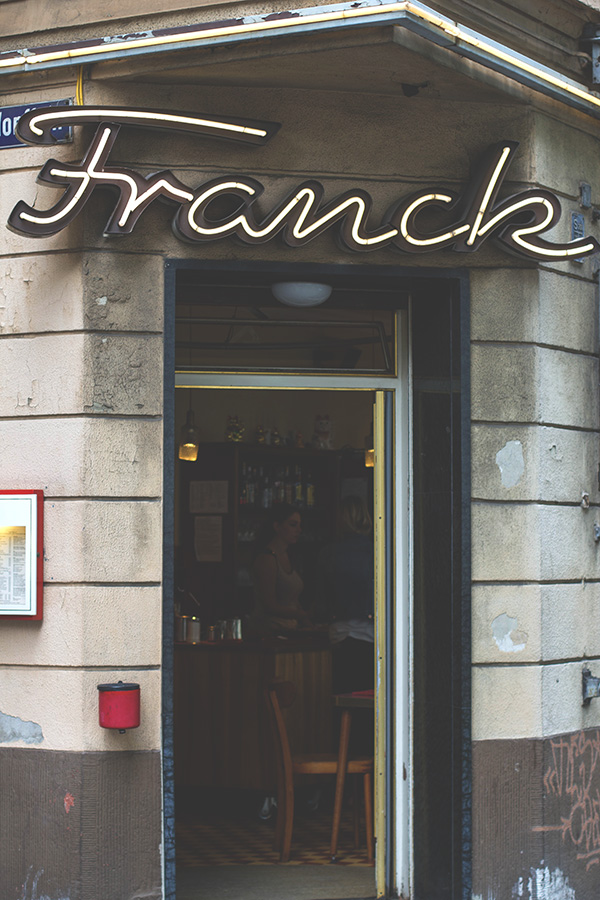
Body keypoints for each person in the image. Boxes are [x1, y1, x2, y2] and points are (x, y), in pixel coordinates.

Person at [319, 494, 374, 694]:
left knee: (342, 700)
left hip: (339, 633)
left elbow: (320, 598)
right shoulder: (376, 552)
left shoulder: (329, 553)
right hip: (371, 634)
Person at [250, 503, 311, 635]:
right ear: (277, 526)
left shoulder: (289, 556)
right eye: (293, 525)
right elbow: (269, 605)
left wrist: (307, 624)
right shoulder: (267, 559)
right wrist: (301, 615)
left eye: (300, 525)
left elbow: (293, 599)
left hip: (289, 630)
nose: (299, 530)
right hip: (269, 633)